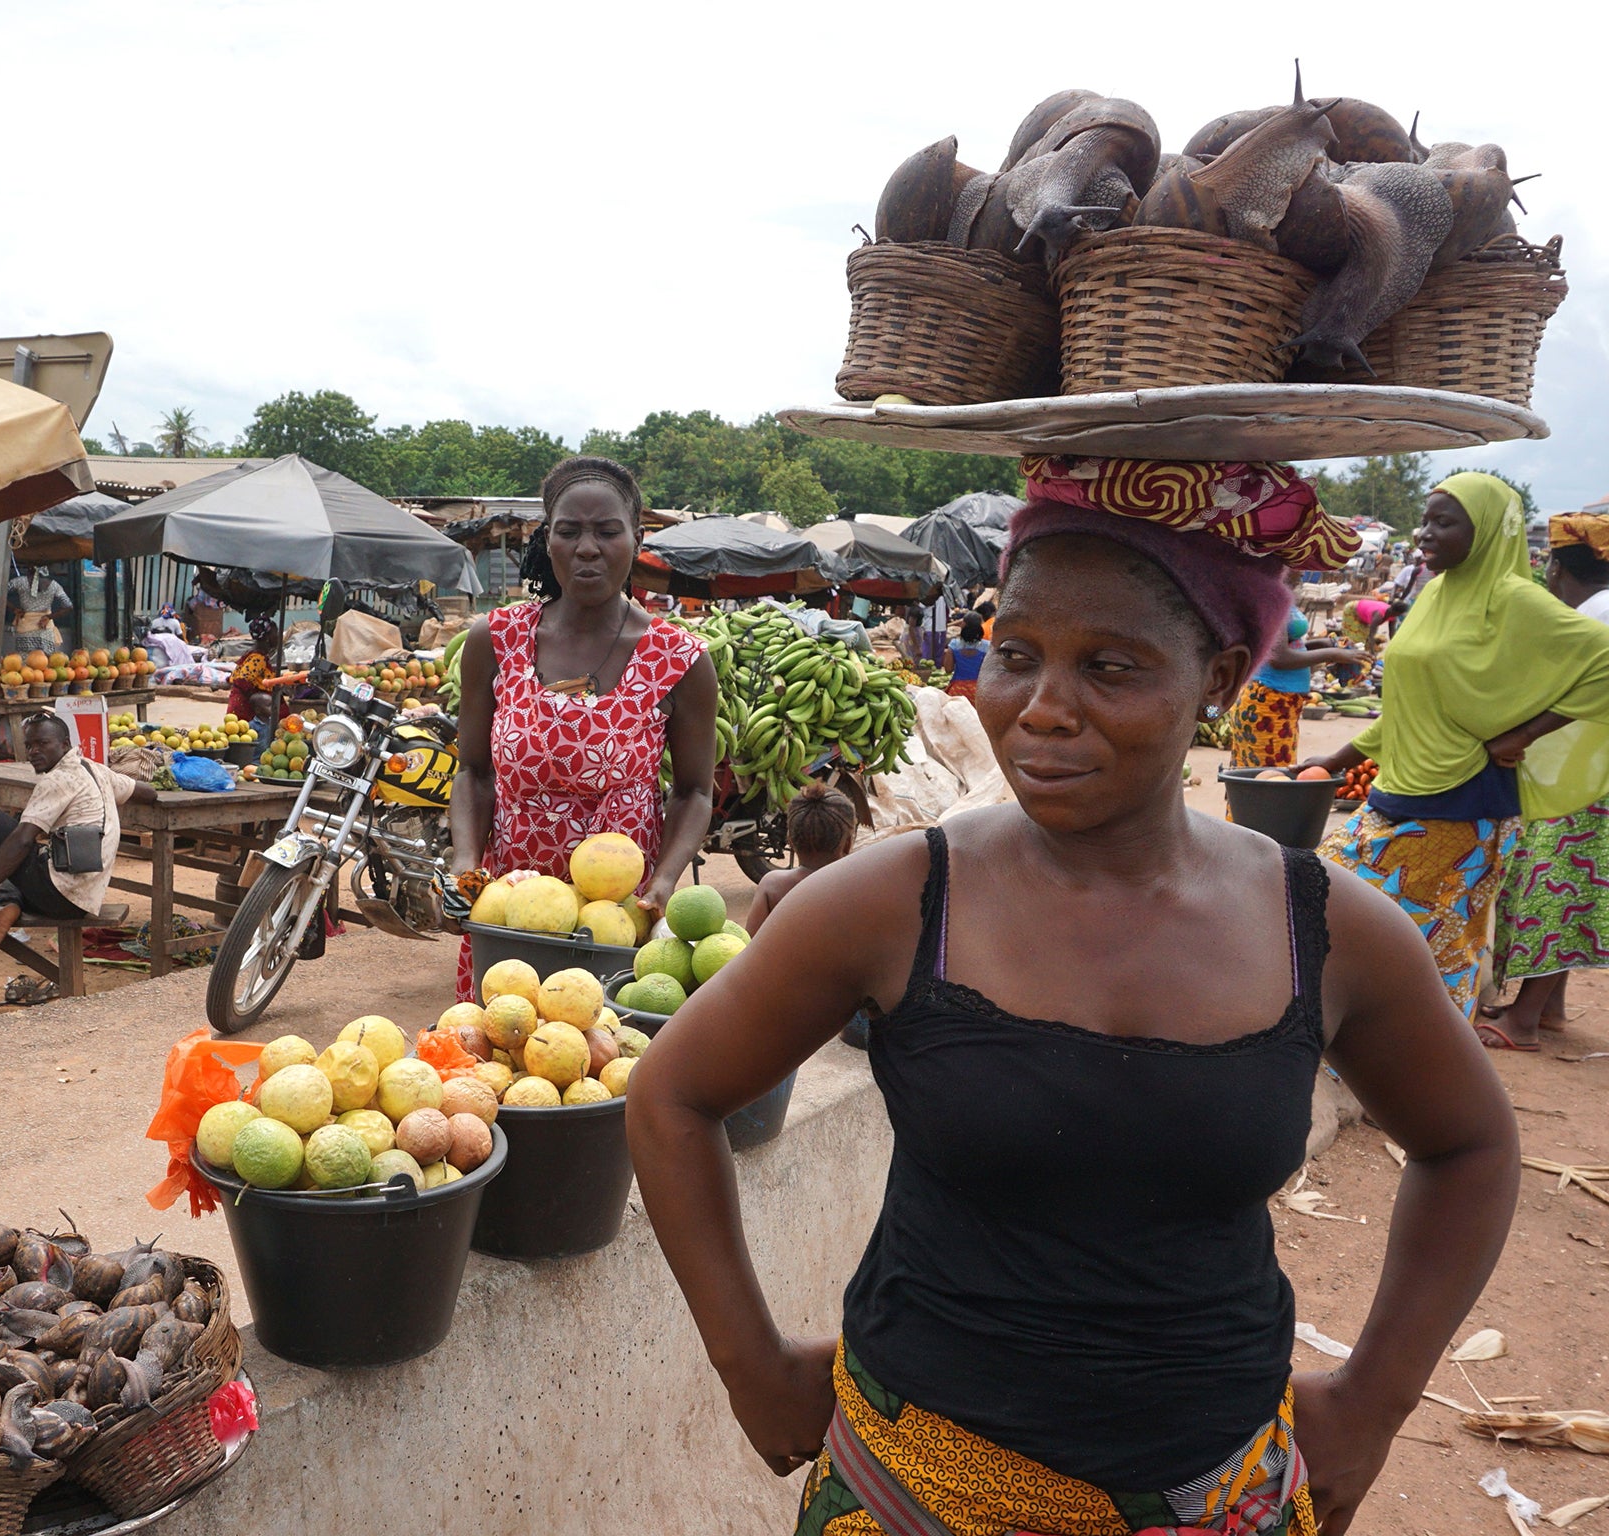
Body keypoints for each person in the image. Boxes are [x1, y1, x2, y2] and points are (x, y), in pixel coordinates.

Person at [629, 457, 1519, 1536]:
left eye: (1109, 666)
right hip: (913, 1491)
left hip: (1216, 1494)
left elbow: (1468, 1145)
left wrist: (1374, 1401)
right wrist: (748, 1362)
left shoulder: (1326, 931)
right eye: (1014, 655)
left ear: (1221, 677)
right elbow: (670, 1095)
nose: (1041, 710)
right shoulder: (892, 901)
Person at [1303, 474, 1609, 1029]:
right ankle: (1390, 1064)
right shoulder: (1438, 593)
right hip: (1399, 793)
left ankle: (1427, 1077)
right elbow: (1405, 709)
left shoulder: (1514, 600)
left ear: (1489, 532)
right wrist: (1331, 761)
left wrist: (1524, 735)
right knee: (1374, 921)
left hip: (1464, 804)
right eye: (1426, 520)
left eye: (1444, 522)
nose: (1424, 534)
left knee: (1436, 943)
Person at [449, 456, 718, 999]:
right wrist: (464, 865)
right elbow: (474, 772)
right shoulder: (495, 639)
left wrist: (664, 879)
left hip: (616, 918)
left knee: (602, 1062)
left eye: (607, 531)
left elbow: (693, 792)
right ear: (547, 540)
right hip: (510, 912)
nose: (587, 547)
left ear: (636, 538)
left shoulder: (679, 658)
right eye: (569, 532)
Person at [1481, 513, 1609, 1047]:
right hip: (1590, 772)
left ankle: (1525, 1022)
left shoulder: (1595, 613)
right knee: (1573, 886)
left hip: (1590, 782)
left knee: (1553, 886)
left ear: (1554, 567)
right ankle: (1548, 1007)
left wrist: (1524, 733)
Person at [0, 712, 157, 954]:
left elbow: (22, 840)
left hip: (58, 896)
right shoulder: (95, 770)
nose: (33, 752)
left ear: (65, 744)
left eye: (43, 743)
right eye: (29, 746)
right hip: (82, 900)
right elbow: (148, 792)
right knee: (24, 849)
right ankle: (7, 908)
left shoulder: (58, 780)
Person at [746, 783, 870, 1051]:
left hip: (785, 1005)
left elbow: (750, 948)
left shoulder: (772, 885)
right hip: (840, 1007)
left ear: (790, 838)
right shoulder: (860, 887)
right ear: (848, 843)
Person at [1225, 576, 1368, 770]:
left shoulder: (1281, 595)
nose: (1303, 570)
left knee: (1274, 774)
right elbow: (1279, 658)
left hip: (1281, 701)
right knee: (1270, 778)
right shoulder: (1270, 599)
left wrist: (1322, 645)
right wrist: (1333, 653)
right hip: (1268, 702)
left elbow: (1286, 645)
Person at [8, 564, 73, 655]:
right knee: (45, 663)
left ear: (30, 569)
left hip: (25, 629)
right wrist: (49, 617)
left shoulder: (19, 581)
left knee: (25, 663)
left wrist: (14, 609)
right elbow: (68, 606)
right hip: (45, 629)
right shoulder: (54, 585)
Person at [940, 614, 988, 701]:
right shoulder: (987, 646)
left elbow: (948, 669)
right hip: (978, 692)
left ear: (963, 625)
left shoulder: (954, 645)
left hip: (958, 691)